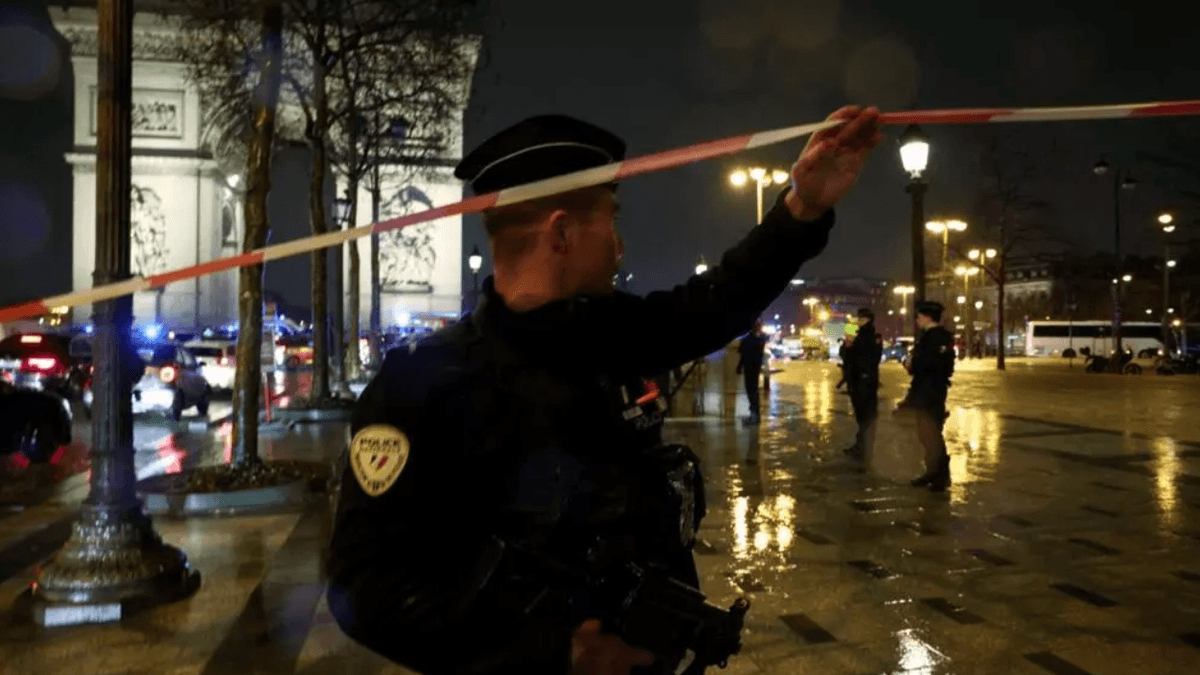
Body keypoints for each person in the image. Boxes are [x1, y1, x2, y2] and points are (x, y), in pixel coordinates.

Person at [325, 106, 883, 675]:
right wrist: (553, 655)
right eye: (610, 222)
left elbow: (719, 301)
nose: (619, 245)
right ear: (562, 232)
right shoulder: (424, 385)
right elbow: (364, 587)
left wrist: (802, 208)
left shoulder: (609, 333)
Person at [897, 301, 956, 492]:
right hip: (928, 389)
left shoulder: (935, 338)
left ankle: (939, 474)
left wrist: (913, 365)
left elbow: (936, 365)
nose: (917, 320)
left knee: (930, 433)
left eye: (919, 317)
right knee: (927, 433)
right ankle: (935, 472)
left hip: (930, 391)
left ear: (926, 317)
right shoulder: (934, 337)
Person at [842, 308, 882, 460]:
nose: (857, 321)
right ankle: (862, 446)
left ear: (866, 320)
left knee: (865, 416)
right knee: (863, 416)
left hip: (863, 382)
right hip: (860, 380)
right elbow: (847, 356)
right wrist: (847, 346)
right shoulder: (860, 335)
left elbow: (866, 358)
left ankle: (864, 449)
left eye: (860, 319)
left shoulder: (868, 337)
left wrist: (849, 348)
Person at [736, 319, 767, 425]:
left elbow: (743, 353)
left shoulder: (748, 339)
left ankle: (754, 415)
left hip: (750, 367)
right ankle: (755, 415)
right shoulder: (760, 338)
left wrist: (739, 366)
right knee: (753, 391)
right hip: (755, 367)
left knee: (751, 391)